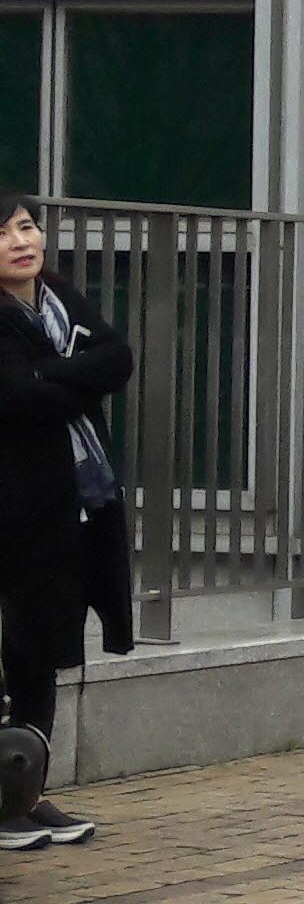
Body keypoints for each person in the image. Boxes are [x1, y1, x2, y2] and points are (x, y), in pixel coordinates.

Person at [0, 191, 131, 853]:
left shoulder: (58, 299)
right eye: (3, 233)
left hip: (65, 508)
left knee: (40, 651)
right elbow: (18, 397)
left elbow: (119, 358)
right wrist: (74, 378)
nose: (20, 241)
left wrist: (53, 374)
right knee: (12, 649)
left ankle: (25, 793)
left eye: (26, 226)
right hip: (13, 509)